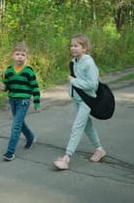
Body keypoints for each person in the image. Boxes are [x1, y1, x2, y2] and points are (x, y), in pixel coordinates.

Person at [53, 33, 106, 170]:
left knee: (77, 127)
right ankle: (99, 149)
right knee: (87, 126)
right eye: (71, 45)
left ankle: (66, 158)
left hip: (87, 100)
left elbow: (92, 84)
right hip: (77, 99)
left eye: (76, 45)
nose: (73, 48)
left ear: (85, 48)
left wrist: (73, 81)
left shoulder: (89, 63)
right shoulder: (73, 62)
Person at [0, 42, 41, 161]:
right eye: (17, 54)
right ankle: (31, 138)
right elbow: (7, 85)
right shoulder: (8, 71)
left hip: (23, 101)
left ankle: (10, 152)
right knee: (20, 123)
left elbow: (35, 87)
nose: (20, 57)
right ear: (12, 56)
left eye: (23, 55)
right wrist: (4, 88)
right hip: (12, 100)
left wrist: (37, 103)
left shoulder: (29, 71)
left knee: (16, 126)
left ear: (26, 57)